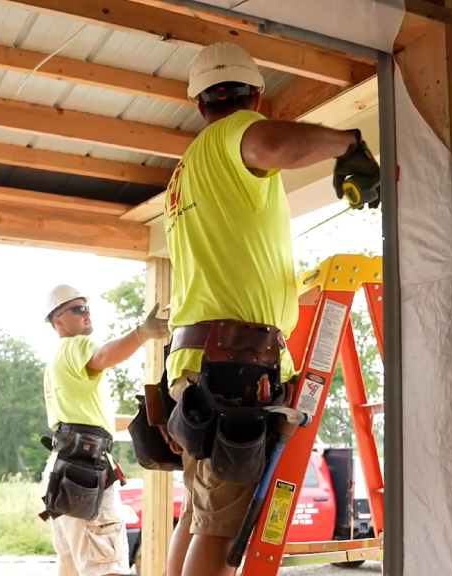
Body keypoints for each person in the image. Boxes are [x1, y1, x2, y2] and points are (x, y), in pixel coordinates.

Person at [162, 42, 381, 576]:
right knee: (218, 527)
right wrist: (347, 143)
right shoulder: (231, 135)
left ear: (197, 103)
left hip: (196, 364)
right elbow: (270, 142)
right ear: (255, 97)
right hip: (231, 367)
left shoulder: (186, 170)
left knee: (197, 517)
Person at [40, 284, 170, 576]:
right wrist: (142, 333)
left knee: (73, 566)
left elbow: (91, 419)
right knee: (106, 565)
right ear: (57, 319)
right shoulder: (76, 346)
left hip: (64, 469)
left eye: (87, 307)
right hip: (85, 469)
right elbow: (102, 357)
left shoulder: (57, 362)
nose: (86, 313)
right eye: (78, 309)